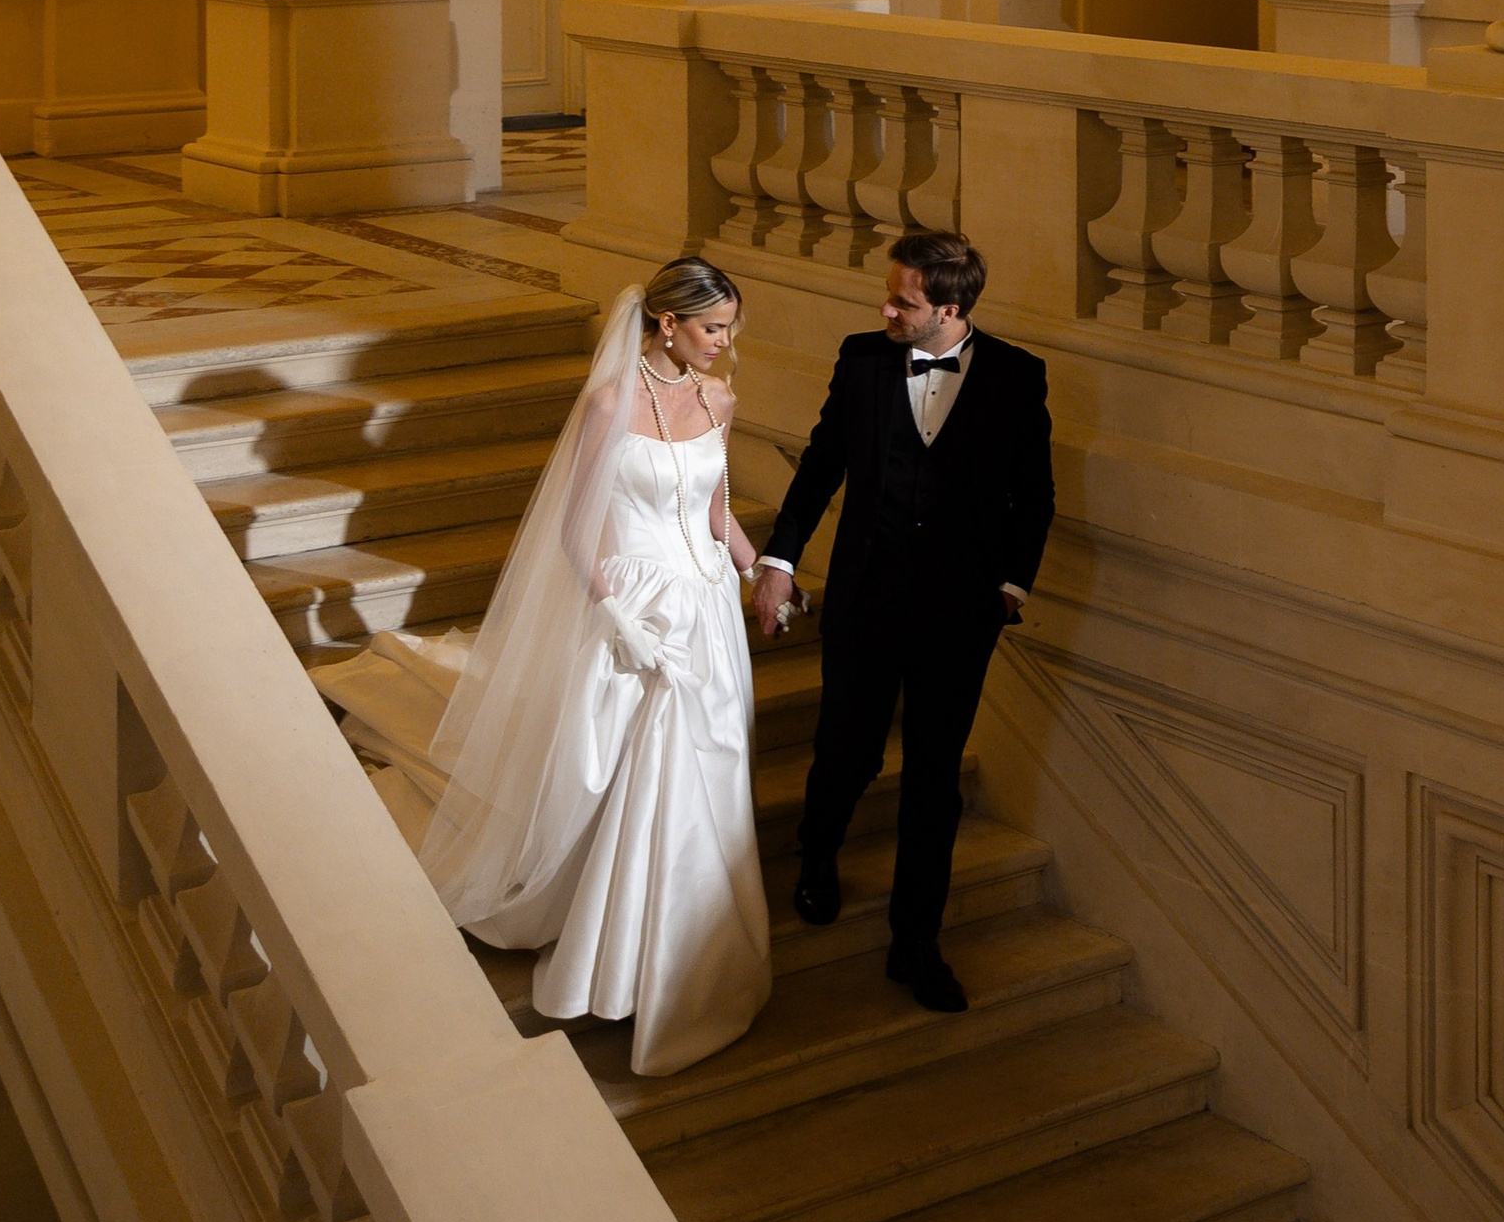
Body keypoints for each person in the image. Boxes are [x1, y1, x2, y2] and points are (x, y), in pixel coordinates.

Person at [416, 257, 773, 1079]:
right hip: (635, 607)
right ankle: (616, 958)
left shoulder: (719, 399)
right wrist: (620, 620)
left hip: (709, 612)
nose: (724, 344)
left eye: (729, 330)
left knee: (709, 777)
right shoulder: (609, 403)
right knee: (639, 775)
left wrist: (762, 570)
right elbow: (576, 531)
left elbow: (717, 512)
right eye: (713, 328)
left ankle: (690, 954)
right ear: (666, 324)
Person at [750, 228, 1052, 1015]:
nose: (886, 308)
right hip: (865, 599)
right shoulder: (863, 358)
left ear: (949, 309)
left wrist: (1010, 590)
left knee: (933, 780)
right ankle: (817, 854)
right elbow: (820, 465)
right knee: (845, 752)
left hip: (959, 616)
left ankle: (915, 942)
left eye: (904, 301)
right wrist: (780, 561)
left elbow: (1036, 494)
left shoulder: (1019, 377)